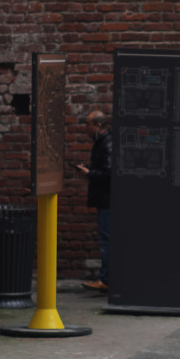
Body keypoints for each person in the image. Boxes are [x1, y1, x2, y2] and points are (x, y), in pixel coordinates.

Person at [76, 111, 112, 293]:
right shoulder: (102, 142)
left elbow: (109, 174)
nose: (86, 129)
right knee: (107, 240)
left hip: (108, 201)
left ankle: (106, 280)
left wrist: (89, 173)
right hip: (105, 200)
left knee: (106, 241)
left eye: (88, 125)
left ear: (98, 125)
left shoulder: (107, 143)